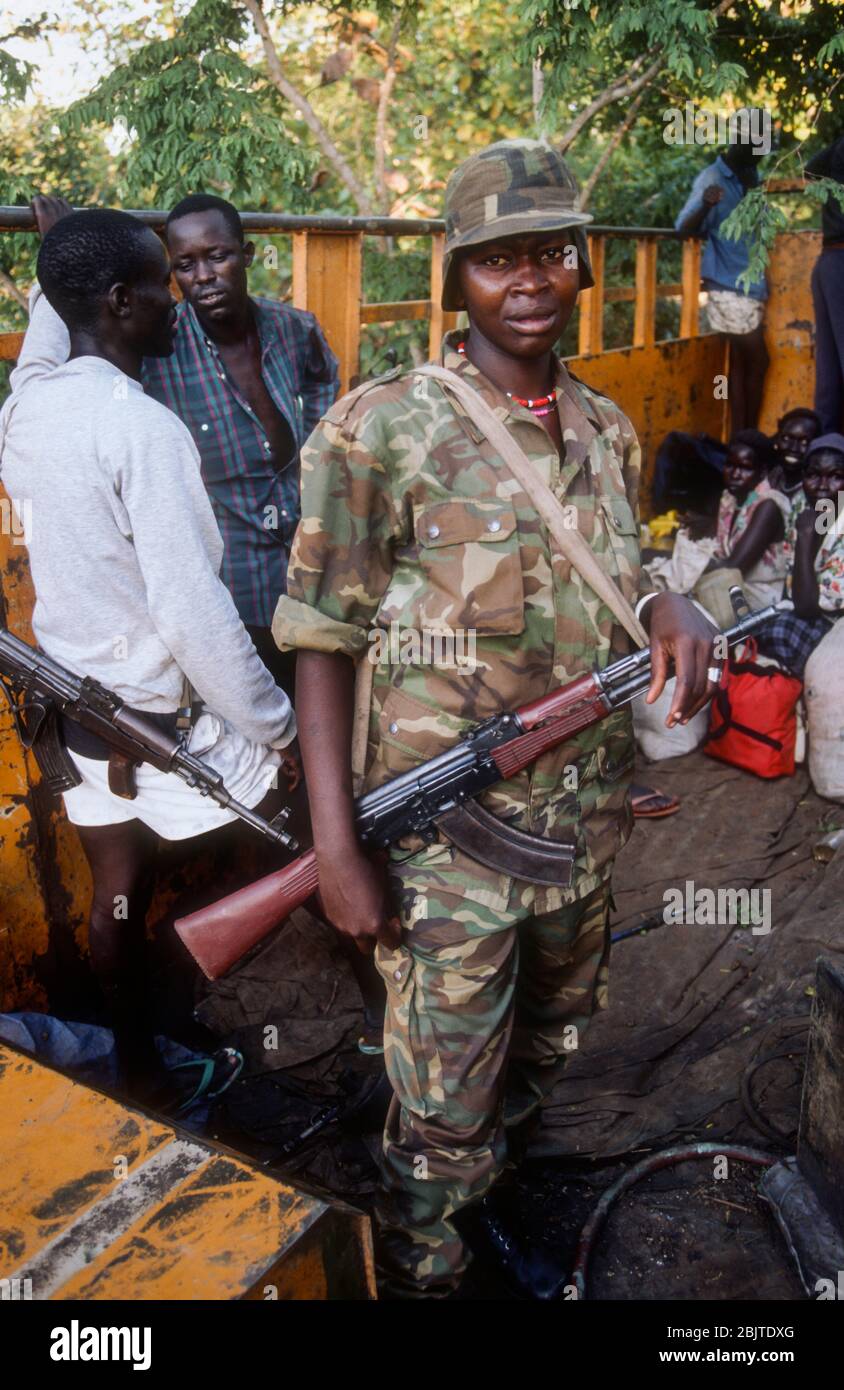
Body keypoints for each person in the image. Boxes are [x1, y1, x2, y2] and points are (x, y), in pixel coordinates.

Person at [272, 138, 719, 1300]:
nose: (529, 280)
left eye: (551, 253)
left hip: (581, 829)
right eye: (495, 260)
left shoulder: (606, 428)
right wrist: (334, 851)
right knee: (444, 1096)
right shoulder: (380, 431)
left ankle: (488, 1188)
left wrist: (670, 597)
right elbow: (319, 642)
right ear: (455, 278)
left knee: (554, 1039)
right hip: (446, 853)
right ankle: (430, 1261)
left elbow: (621, 572)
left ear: (577, 266)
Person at [0, 201, 297, 1100]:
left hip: (83, 721)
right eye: (163, 289)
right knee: (316, 847)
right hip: (172, 722)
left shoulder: (29, 409)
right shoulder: (146, 430)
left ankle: (137, 1069)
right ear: (125, 302)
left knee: (115, 896)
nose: (179, 304)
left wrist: (62, 258)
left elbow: (47, 343)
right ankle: (377, 1044)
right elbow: (191, 613)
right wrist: (278, 728)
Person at [675, 126, 769, 432]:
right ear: (741, 144)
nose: (760, 156)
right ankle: (746, 437)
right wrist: (705, 203)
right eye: (757, 149)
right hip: (727, 285)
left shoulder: (749, 177)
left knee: (742, 364)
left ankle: (742, 440)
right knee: (758, 360)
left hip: (750, 287)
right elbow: (683, 228)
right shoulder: (713, 179)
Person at [646, 430, 789, 622]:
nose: (735, 474)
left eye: (745, 468)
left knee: (676, 608)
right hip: (727, 584)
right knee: (651, 561)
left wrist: (689, 565)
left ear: (762, 471)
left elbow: (733, 567)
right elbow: (724, 545)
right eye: (730, 465)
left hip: (756, 596)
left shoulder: (768, 507)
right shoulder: (730, 497)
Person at [756, 434, 844, 677]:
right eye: (813, 475)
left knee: (781, 633)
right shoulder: (802, 507)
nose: (823, 486)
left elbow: (807, 608)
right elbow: (792, 589)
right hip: (806, 609)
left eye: (836, 476)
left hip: (835, 621)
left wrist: (806, 537)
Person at [805, 133, 844, 433]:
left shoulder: (837, 147)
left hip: (828, 263)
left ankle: (825, 455)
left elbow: (809, 169)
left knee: (829, 372)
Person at [767, 407, 822, 501]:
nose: (793, 448)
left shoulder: (818, 490)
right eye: (786, 438)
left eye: (804, 442)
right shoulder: (771, 476)